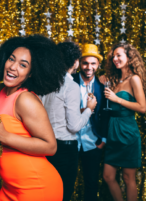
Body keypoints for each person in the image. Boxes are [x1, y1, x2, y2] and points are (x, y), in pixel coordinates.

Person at [0, 35, 65, 201]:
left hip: (36, 187)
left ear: (31, 73)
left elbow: (50, 147)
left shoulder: (25, 99)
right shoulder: (2, 91)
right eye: (11, 59)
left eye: (23, 65)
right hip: (11, 188)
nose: (12, 67)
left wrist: (6, 137)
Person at [40, 41, 97, 201]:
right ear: (76, 62)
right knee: (63, 194)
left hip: (46, 146)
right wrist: (89, 109)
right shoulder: (70, 85)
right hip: (65, 150)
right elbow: (74, 126)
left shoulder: (46, 83)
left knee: (48, 193)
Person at [103, 43, 146, 201]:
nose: (115, 59)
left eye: (119, 55)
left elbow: (142, 107)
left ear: (129, 58)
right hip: (113, 131)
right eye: (113, 56)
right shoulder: (114, 79)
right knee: (108, 176)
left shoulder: (134, 79)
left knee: (129, 178)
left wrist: (117, 99)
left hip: (128, 132)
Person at [72, 44, 109, 201]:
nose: (89, 67)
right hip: (70, 140)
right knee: (63, 181)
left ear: (98, 65)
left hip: (93, 142)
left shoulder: (103, 86)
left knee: (91, 183)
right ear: (79, 63)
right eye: (85, 63)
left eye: (93, 63)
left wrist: (103, 140)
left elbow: (106, 114)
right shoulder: (69, 82)